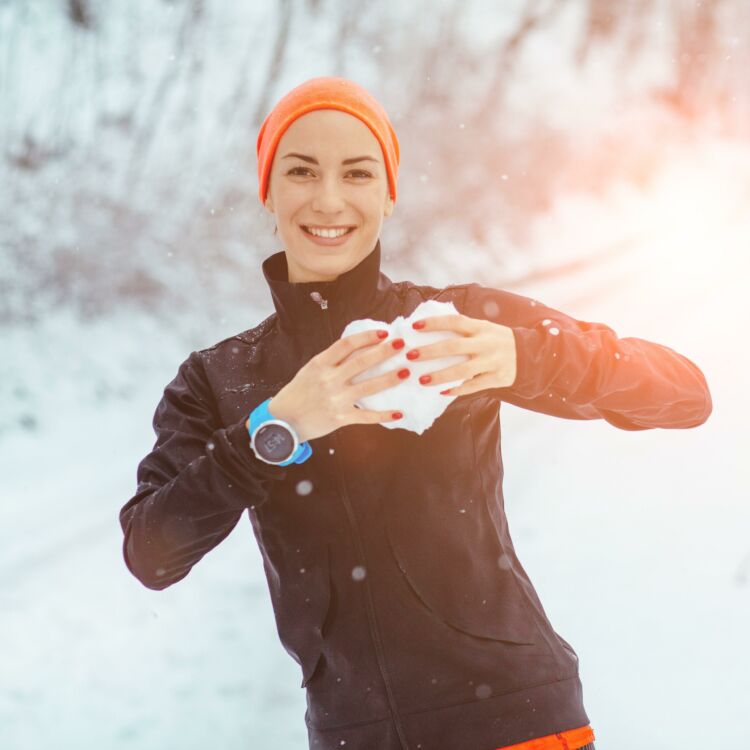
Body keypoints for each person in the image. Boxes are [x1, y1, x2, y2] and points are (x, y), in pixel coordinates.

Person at [119, 76, 712, 750]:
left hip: (517, 720)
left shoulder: (454, 324)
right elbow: (151, 551)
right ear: (269, 190)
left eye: (358, 173)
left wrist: (527, 357)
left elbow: (685, 393)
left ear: (389, 193)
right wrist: (278, 428)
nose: (330, 199)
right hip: (353, 736)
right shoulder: (219, 379)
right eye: (302, 171)